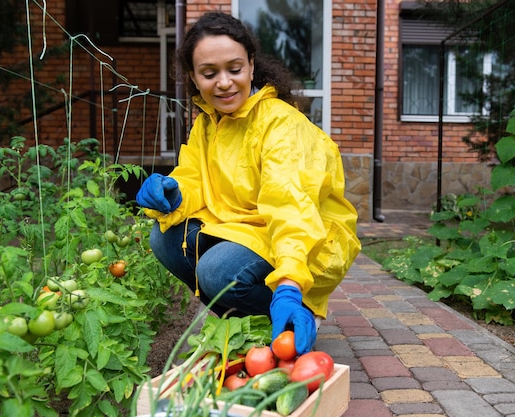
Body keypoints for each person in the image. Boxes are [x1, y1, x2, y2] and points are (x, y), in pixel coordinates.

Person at [136, 11, 360, 355]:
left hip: (308, 237)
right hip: (247, 229)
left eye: (234, 69)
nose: (224, 82)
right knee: (165, 239)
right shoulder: (208, 123)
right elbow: (194, 177)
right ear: (194, 78)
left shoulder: (281, 125)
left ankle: (296, 312)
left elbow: (291, 206)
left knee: (217, 271)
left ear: (252, 67)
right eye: (210, 73)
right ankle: (246, 322)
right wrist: (174, 191)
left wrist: (289, 283)